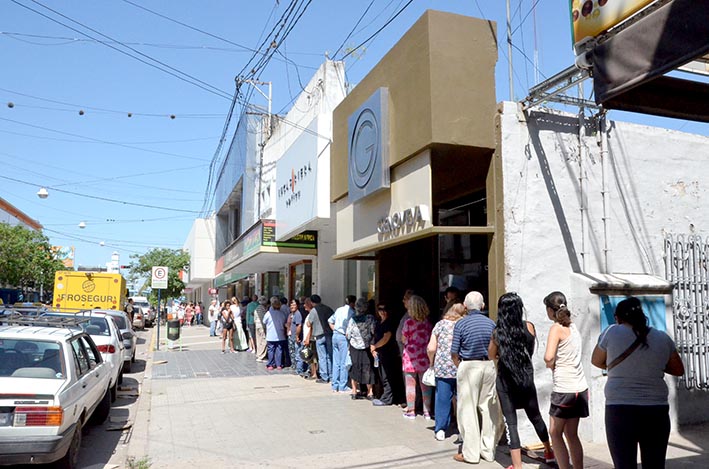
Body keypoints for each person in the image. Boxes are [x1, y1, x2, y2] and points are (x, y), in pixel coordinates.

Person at [591, 297, 685, 469]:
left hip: (620, 409)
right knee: (654, 464)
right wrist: (652, 365)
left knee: (624, 464)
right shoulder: (662, 338)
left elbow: (596, 361)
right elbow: (678, 369)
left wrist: (622, 368)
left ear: (618, 317)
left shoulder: (611, 332)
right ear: (642, 316)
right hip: (656, 410)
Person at [488, 292, 553, 469]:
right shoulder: (530, 327)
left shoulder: (497, 333)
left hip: (505, 380)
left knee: (511, 423)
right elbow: (530, 350)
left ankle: (517, 465)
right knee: (535, 416)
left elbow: (491, 354)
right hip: (525, 378)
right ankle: (548, 452)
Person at [451, 291, 499, 464]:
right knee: (488, 409)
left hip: (469, 365)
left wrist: (460, 367)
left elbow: (454, 352)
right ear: (483, 306)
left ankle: (471, 453)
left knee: (467, 410)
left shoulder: (461, 324)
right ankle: (488, 450)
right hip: (488, 365)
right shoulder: (491, 323)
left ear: (465, 306)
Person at [543, 292, 589, 469]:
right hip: (580, 388)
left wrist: (551, 365)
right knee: (572, 434)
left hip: (564, 389)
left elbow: (548, 357)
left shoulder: (556, 328)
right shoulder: (573, 327)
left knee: (555, 433)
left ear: (550, 310)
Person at [428, 302, 466, 441]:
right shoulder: (463, 325)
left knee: (443, 398)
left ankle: (441, 430)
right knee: (462, 399)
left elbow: (431, 348)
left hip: (443, 367)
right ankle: (462, 430)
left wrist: (432, 362)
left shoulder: (440, 325)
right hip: (461, 366)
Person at [401, 294, 433, 420]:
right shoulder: (427, 322)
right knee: (425, 386)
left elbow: (403, 338)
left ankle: (411, 411)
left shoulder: (408, 322)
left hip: (410, 357)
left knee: (410, 386)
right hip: (424, 356)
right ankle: (427, 412)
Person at [370, 303, 405, 407]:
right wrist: (373, 347)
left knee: (388, 376)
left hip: (389, 353)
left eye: (384, 309)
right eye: (380, 309)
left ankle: (387, 398)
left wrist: (375, 346)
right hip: (380, 353)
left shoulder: (389, 323)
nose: (382, 312)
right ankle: (389, 397)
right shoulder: (379, 322)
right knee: (383, 375)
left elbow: (386, 337)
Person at [346, 297, 377, 399]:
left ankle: (354, 391)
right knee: (367, 368)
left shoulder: (352, 319)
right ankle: (370, 392)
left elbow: (348, 334)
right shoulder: (370, 318)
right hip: (366, 347)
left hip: (354, 347)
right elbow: (373, 331)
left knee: (354, 368)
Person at [329, 295, 356, 393]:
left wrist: (336, 330)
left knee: (336, 362)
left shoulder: (339, 310)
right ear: (353, 303)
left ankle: (334, 385)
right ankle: (342, 386)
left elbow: (330, 321)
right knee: (344, 361)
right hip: (343, 337)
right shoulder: (352, 313)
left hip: (335, 335)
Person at [306, 294, 334, 384]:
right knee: (330, 355)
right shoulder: (328, 309)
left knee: (322, 357)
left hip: (319, 335)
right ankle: (331, 375)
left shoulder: (314, 311)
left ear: (311, 302)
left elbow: (309, 324)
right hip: (329, 334)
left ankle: (324, 376)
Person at [262, 296, 289, 370]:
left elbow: (264, 321)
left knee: (271, 350)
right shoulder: (282, 314)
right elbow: (284, 322)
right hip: (280, 335)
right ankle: (279, 364)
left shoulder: (268, 313)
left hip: (271, 335)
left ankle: (271, 364)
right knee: (279, 350)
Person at [396, 289, 415, 353]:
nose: (403, 301)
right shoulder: (408, 313)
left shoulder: (414, 314)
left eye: (405, 298)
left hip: (409, 348)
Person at [253, 296, 269, 362]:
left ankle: (259, 354)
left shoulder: (257, 308)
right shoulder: (262, 309)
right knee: (263, 341)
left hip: (257, 325)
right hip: (262, 327)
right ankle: (261, 356)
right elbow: (263, 319)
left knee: (259, 340)